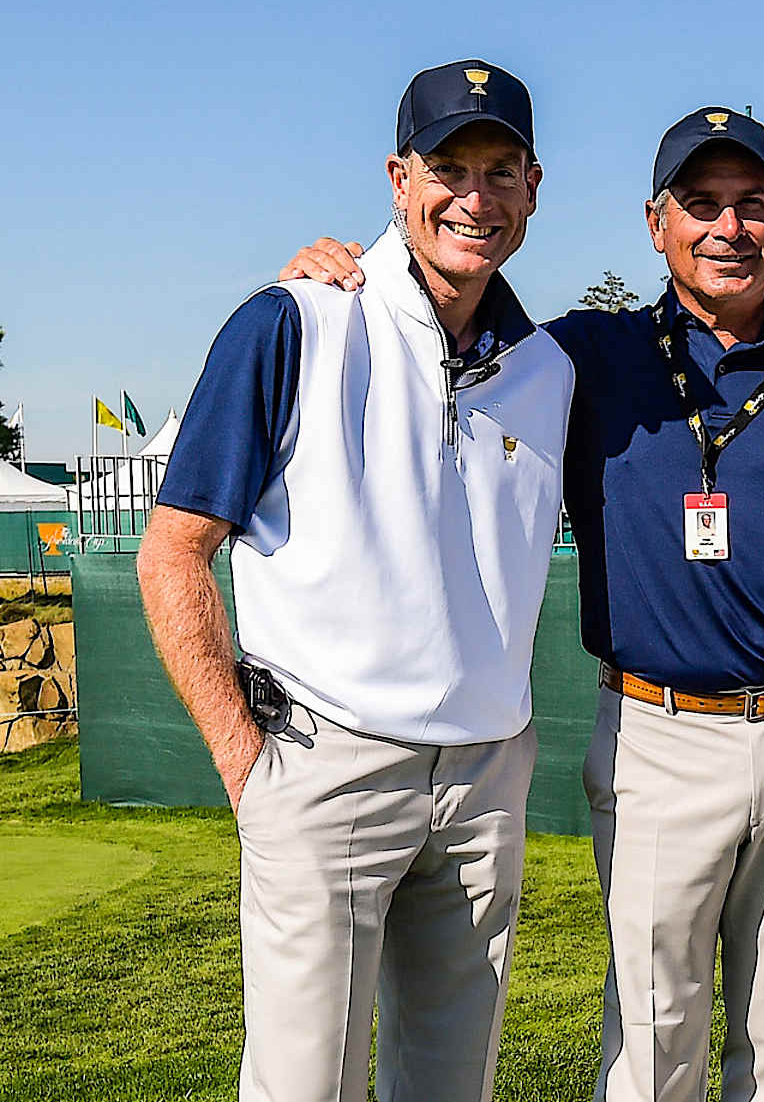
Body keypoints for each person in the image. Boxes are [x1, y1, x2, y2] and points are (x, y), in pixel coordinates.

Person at [279, 106, 764, 1102]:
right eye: (701, 205)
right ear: (657, 225)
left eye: (752, 204)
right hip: (657, 731)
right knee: (656, 1042)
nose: (729, 227)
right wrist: (329, 277)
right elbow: (444, 329)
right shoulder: (578, 358)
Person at [137, 59, 570, 1102]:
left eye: (500, 169)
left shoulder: (550, 368)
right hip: (323, 760)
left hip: (481, 776)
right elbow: (173, 549)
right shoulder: (296, 318)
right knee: (303, 1085)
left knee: (449, 1083)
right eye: (447, 167)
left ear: (533, 187)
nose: (474, 196)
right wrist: (250, 768)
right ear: (397, 178)